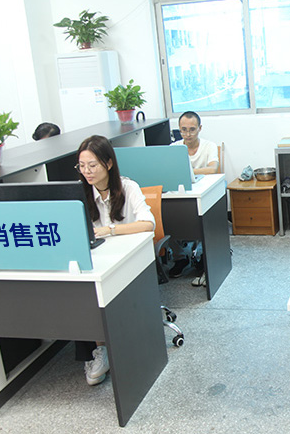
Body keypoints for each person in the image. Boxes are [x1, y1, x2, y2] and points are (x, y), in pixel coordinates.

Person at [74, 135, 155, 386]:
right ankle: (101, 350)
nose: (87, 171)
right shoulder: (79, 193)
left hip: (129, 260)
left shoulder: (128, 187)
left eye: (92, 165)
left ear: (108, 164)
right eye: (81, 166)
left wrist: (109, 230)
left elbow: (148, 223)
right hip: (98, 260)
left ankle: (109, 347)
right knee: (83, 294)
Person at [171, 111, 219, 285]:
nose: (188, 134)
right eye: (183, 130)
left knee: (201, 221)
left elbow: (213, 169)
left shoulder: (209, 146)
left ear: (199, 128)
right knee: (167, 219)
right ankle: (180, 258)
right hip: (181, 194)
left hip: (205, 194)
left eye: (192, 129)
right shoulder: (174, 148)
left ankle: (203, 256)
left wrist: (188, 171)